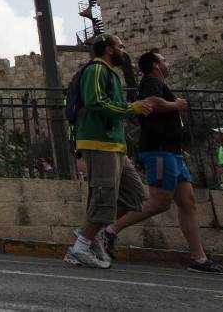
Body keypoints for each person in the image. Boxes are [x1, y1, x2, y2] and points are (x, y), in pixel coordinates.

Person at [90, 50, 223, 274]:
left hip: (172, 153)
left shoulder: (159, 83)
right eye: (164, 60)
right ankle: (110, 230)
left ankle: (199, 258)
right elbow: (151, 103)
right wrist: (176, 105)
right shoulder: (150, 82)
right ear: (156, 65)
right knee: (159, 202)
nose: (167, 63)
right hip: (158, 152)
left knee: (188, 203)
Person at [62, 35, 158, 269]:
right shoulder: (96, 69)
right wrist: (130, 108)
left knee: (135, 195)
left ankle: (87, 233)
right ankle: (81, 246)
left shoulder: (111, 74)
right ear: (108, 49)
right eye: (120, 47)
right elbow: (95, 101)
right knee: (104, 196)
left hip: (115, 144)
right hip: (98, 143)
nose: (123, 51)